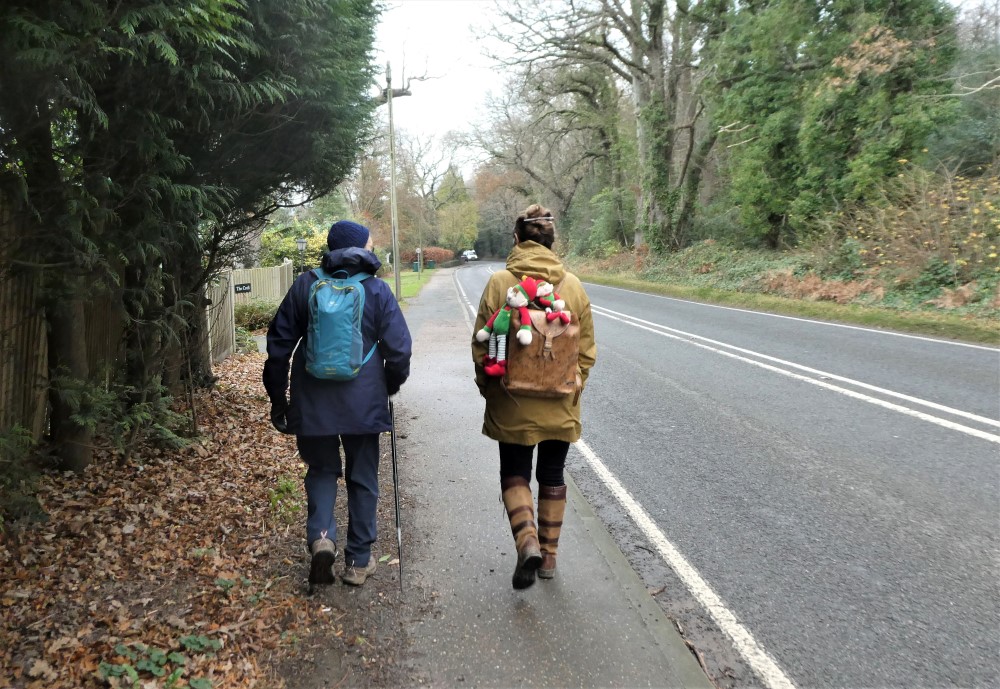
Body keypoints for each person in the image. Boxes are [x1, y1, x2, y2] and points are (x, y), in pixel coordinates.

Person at [263, 220, 412, 588]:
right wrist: (390, 385)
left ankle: (322, 539)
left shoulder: (305, 285)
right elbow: (400, 350)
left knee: (321, 470)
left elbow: (278, 347)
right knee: (363, 477)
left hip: (312, 402)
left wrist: (278, 399)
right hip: (364, 404)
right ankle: (358, 561)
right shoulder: (377, 289)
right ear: (361, 248)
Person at [471, 204, 597, 590]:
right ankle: (549, 556)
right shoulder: (572, 286)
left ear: (516, 239)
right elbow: (586, 353)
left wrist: (490, 390)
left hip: (512, 399)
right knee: (553, 474)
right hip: (560, 400)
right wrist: (573, 387)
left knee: (515, 472)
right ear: (552, 242)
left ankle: (526, 542)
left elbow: (481, 346)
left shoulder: (499, 283)